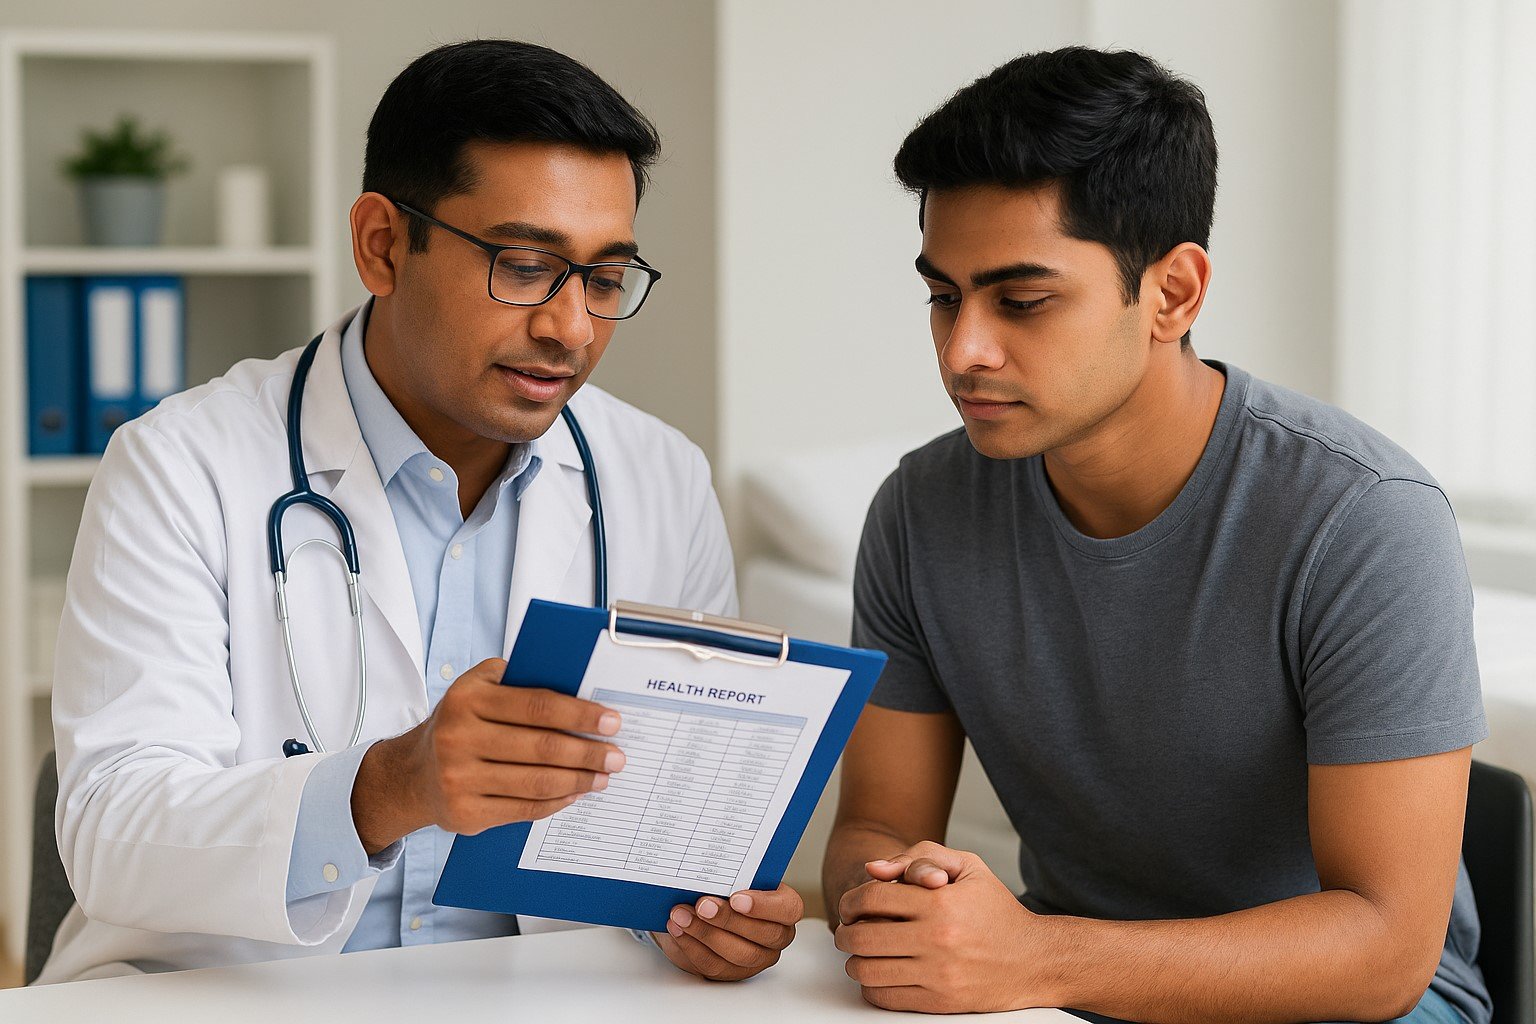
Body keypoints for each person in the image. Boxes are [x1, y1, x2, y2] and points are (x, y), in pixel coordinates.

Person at [39, 39, 800, 984]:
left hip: (543, 997)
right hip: (223, 993)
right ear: (383, 245)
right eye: (525, 265)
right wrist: (388, 787)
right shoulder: (179, 464)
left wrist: (706, 916)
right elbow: (112, 833)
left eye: (605, 280)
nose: (570, 329)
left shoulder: (660, 477)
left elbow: (672, 826)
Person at [823, 47, 1489, 1024]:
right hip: (1067, 990)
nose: (963, 349)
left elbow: (1384, 950)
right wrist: (895, 899)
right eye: (942, 295)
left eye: (1022, 301)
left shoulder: (1365, 517)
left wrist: (1038, 956)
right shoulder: (920, 512)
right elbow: (876, 824)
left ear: (1172, 293)